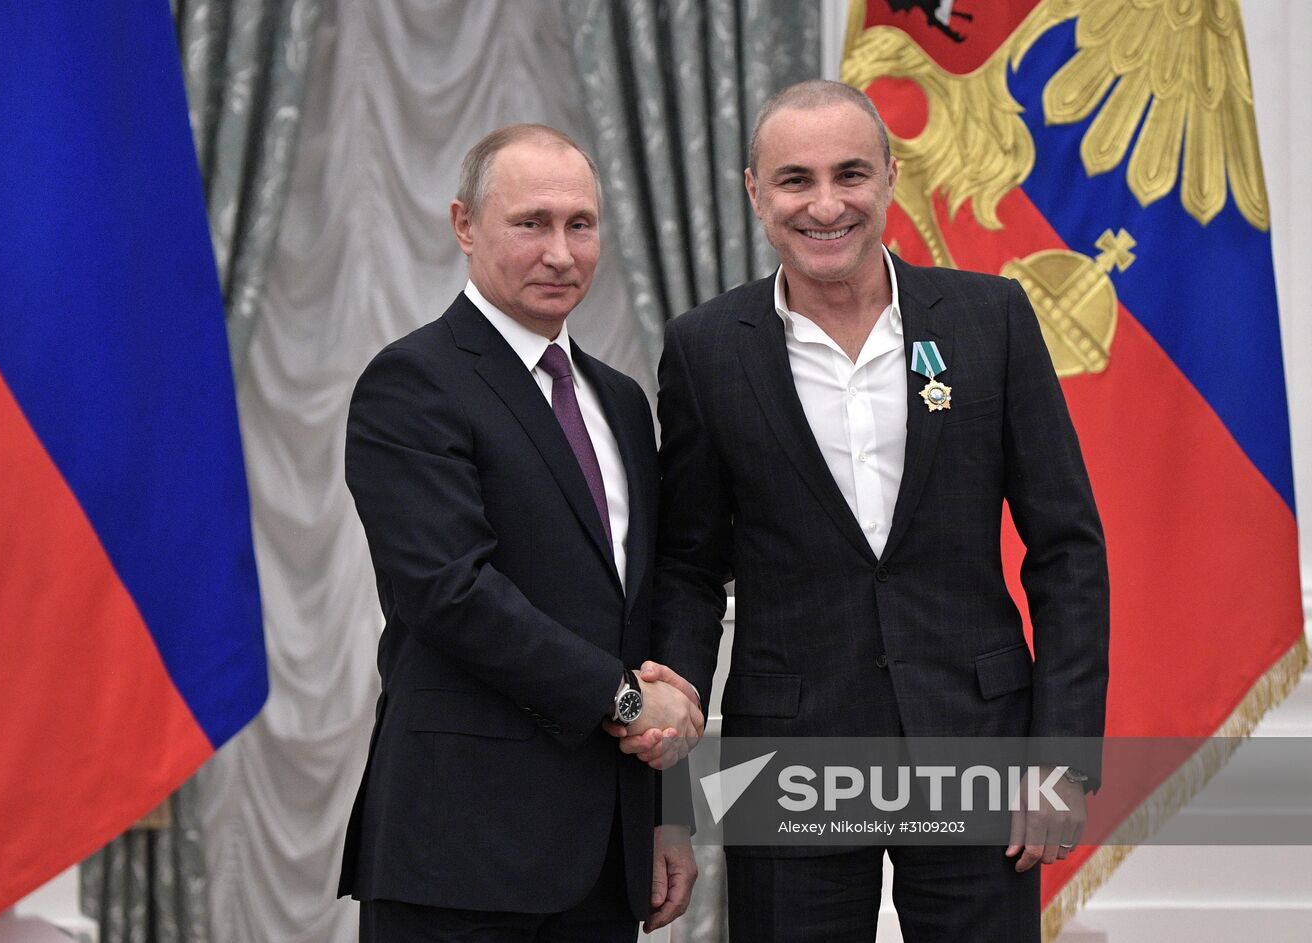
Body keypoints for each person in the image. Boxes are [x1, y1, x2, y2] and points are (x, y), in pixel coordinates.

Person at [641, 80, 1110, 941]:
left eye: (851, 173)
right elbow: (689, 572)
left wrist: (1062, 756)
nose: (826, 204)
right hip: (790, 752)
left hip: (979, 744)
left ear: (891, 177)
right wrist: (665, 790)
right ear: (754, 191)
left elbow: (1067, 548)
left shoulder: (990, 320)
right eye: (795, 180)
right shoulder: (705, 350)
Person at [337, 123, 700, 942]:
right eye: (531, 223)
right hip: (461, 851)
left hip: (606, 857)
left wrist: (666, 807)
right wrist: (627, 700)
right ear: (465, 226)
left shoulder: (619, 398)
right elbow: (449, 593)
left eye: (581, 224)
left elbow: (645, 608)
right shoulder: (412, 381)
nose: (562, 253)